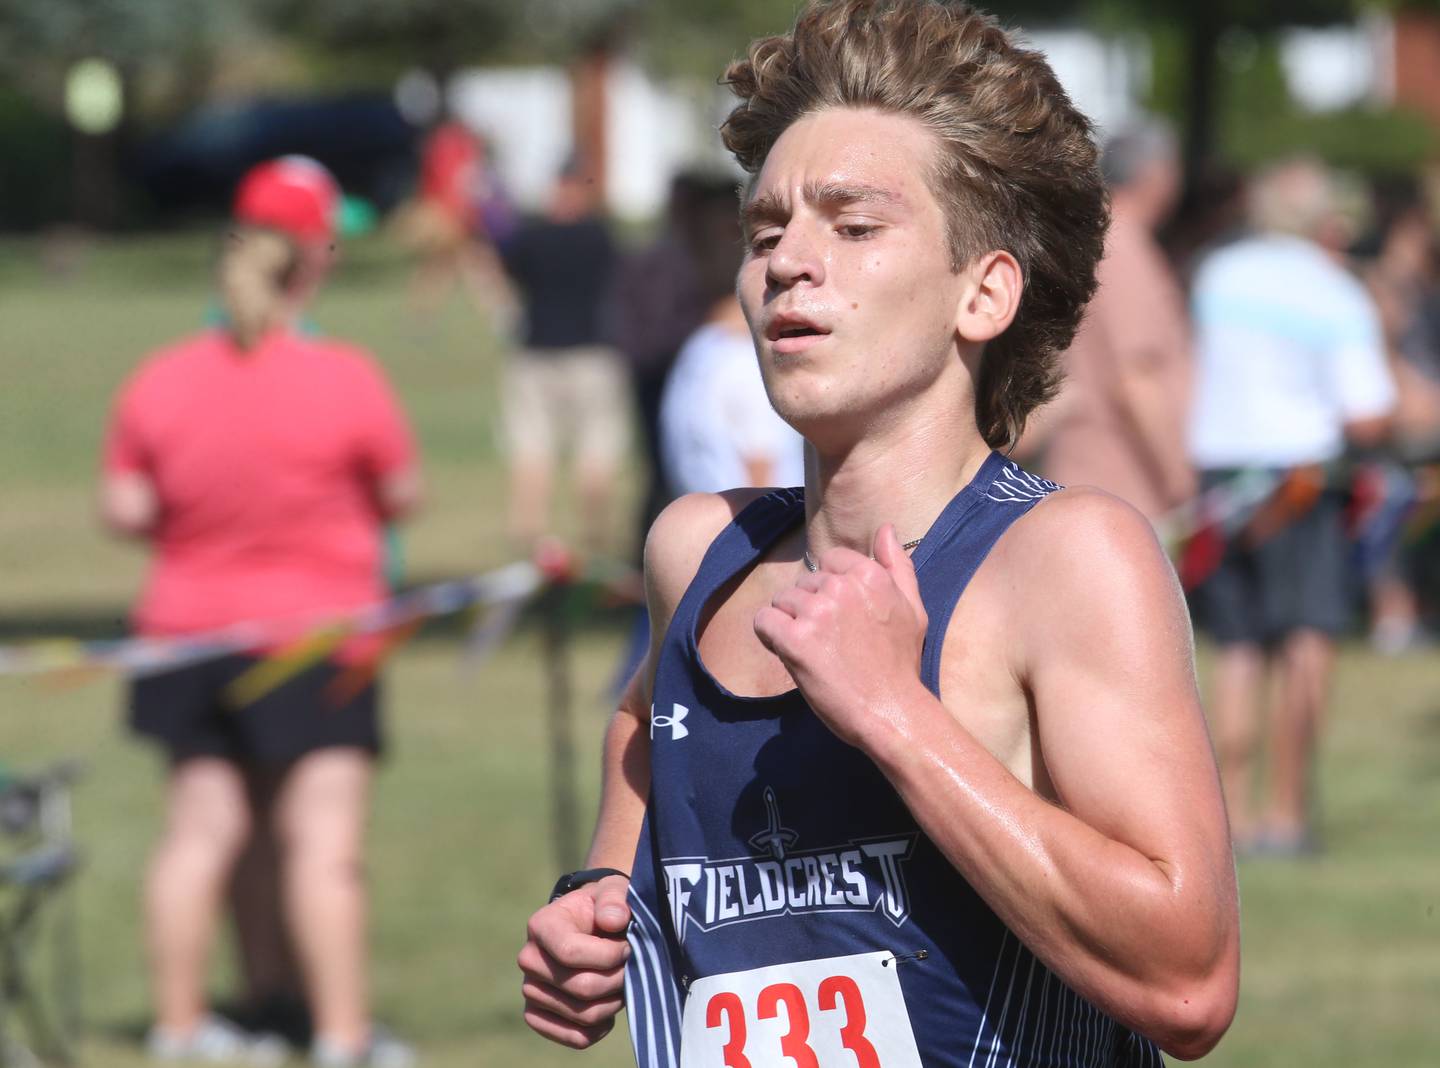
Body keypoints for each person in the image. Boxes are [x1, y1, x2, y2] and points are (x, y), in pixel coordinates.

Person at [518, 2, 1240, 1065]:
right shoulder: (700, 556)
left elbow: (1189, 984)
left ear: (984, 293)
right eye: (765, 231)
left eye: (854, 228)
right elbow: (643, 724)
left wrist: (897, 715)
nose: (788, 264)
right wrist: (602, 891)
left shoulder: (1062, 561)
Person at [101, 156, 420, 1067]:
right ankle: (343, 1037)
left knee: (202, 834)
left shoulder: (162, 377)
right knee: (322, 846)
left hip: (184, 637)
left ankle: (182, 1025)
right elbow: (402, 491)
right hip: (315, 638)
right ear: (309, 258)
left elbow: (123, 508)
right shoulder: (342, 377)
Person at [1188, 158, 1396, 853]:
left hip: (1219, 472)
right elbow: (1368, 417)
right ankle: (1285, 813)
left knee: (1238, 647)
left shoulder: (1218, 272)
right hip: (1300, 478)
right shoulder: (1333, 291)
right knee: (1307, 637)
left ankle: (1231, 814)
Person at [1026, 121, 1194, 523]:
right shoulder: (1120, 247)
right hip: (1123, 486)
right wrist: (1180, 480)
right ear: (1158, 176)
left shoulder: (1099, 240)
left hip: (1102, 484)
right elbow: (1134, 380)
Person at [496, 158, 627, 551]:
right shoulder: (600, 237)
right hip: (593, 353)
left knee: (532, 448)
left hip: (536, 351)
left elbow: (508, 277)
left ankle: (529, 535)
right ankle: (594, 535)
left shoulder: (531, 237)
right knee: (596, 448)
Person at [659, 176, 806, 496]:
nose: (692, 250)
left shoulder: (748, 358)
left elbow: (765, 475)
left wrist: (756, 548)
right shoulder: (710, 343)